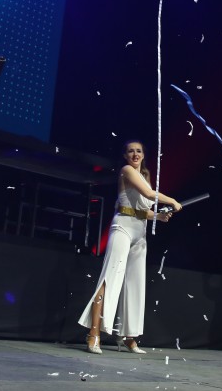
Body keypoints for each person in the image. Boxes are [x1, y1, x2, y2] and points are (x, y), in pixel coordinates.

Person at [78, 140, 182, 354]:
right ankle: (94, 334)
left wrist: (159, 216)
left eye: (139, 151)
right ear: (125, 156)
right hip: (123, 227)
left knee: (135, 285)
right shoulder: (127, 171)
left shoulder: (145, 175)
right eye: (130, 151)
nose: (135, 154)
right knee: (111, 278)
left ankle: (128, 337)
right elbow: (147, 194)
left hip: (139, 231)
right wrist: (171, 200)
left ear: (144, 155)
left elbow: (143, 210)